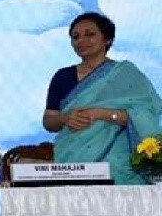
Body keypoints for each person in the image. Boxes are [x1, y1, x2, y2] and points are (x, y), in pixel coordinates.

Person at [43, 12, 162, 184]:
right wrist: (65, 118)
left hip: (119, 158)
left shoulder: (126, 73)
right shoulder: (62, 76)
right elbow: (49, 121)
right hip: (72, 158)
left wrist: (101, 113)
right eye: (75, 37)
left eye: (89, 34)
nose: (81, 40)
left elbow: (146, 115)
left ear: (108, 39)